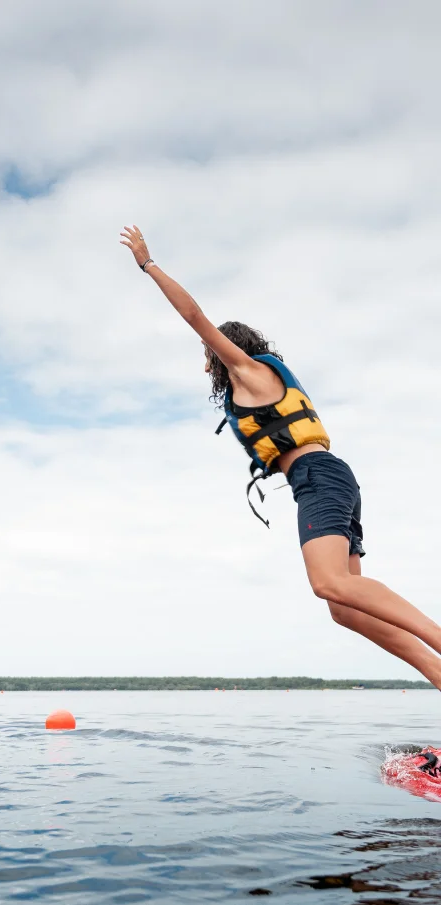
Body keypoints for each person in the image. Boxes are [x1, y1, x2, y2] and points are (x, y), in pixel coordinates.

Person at [121, 225, 441, 689]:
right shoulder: (265, 380)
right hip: (330, 478)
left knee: (328, 584)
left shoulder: (247, 370)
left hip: (318, 477)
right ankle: (435, 672)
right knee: (343, 609)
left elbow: (194, 316)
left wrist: (148, 265)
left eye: (208, 355)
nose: (206, 363)